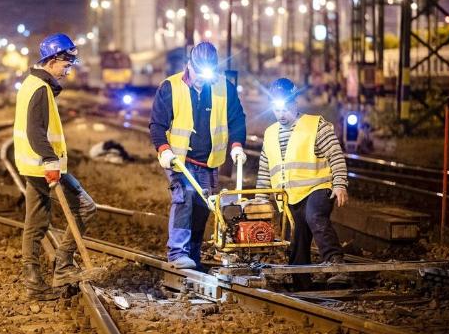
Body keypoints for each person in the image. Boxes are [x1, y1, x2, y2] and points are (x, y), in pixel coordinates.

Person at [13, 33, 98, 300]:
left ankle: (35, 282)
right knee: (85, 207)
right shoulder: (39, 89)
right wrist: (50, 160)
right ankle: (63, 266)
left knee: (35, 222)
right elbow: (35, 131)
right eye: (66, 65)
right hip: (44, 165)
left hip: (35, 164)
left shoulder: (33, 83)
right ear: (51, 60)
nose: (67, 71)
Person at [149, 41, 247, 269]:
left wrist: (236, 145)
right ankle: (177, 253)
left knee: (203, 207)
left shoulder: (224, 87)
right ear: (190, 65)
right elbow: (157, 124)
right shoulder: (170, 86)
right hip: (180, 160)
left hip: (209, 160)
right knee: (184, 199)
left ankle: (192, 255)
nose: (203, 78)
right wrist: (163, 149)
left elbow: (237, 118)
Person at [256, 78, 349, 287]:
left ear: (295, 102)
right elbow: (265, 170)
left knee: (314, 216)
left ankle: (336, 265)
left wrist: (340, 184)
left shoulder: (315, 126)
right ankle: (301, 281)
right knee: (296, 234)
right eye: (276, 109)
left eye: (286, 108)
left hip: (318, 187)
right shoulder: (270, 134)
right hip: (290, 195)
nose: (281, 114)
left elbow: (335, 154)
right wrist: (260, 201)